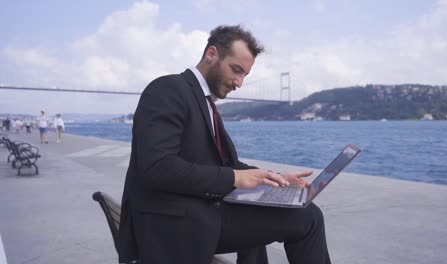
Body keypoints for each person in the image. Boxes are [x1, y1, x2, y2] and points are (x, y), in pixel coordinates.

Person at [119, 25, 331, 264]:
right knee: (308, 217)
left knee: (275, 211)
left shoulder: (202, 101)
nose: (239, 82)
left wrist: (276, 180)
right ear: (212, 54)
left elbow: (227, 164)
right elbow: (157, 167)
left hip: (193, 211)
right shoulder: (167, 89)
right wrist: (234, 179)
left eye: (245, 76)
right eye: (236, 70)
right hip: (170, 223)